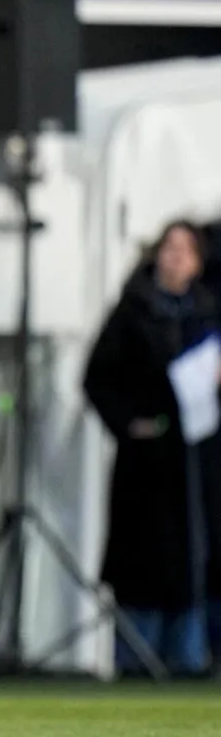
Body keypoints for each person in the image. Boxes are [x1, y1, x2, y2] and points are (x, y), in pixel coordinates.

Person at [84, 220, 221, 676]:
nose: (176, 257)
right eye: (169, 248)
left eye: (186, 251)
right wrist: (130, 422)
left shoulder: (206, 316)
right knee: (143, 564)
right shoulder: (133, 312)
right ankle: (136, 659)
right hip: (148, 463)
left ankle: (189, 658)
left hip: (197, 463)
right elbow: (98, 379)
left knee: (195, 560)